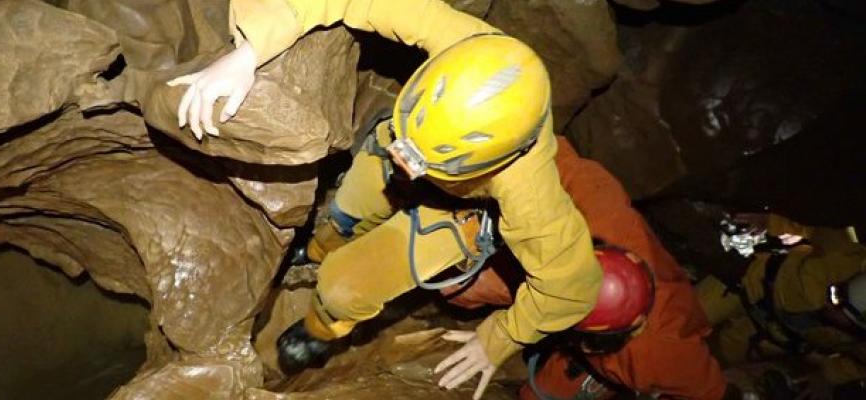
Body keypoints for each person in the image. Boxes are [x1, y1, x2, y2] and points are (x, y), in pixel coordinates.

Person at [169, 1, 602, 397]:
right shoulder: (465, 44)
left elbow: (572, 287)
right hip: (408, 147)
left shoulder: (529, 193)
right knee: (346, 208)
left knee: (343, 289)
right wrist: (249, 52)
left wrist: (500, 338)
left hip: (460, 212)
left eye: (421, 160)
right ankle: (318, 246)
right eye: (409, 148)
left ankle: (320, 329)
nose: (406, 163)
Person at [442, 138, 731, 399]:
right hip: (550, 270)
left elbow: (711, 394)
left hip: (611, 360)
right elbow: (538, 151)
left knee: (542, 394)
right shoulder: (596, 211)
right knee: (459, 284)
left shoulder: (662, 355)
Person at [695, 214, 866, 398]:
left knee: (705, 363)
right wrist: (768, 222)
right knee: (683, 317)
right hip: (749, 283)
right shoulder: (849, 257)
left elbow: (848, 369)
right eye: (837, 292)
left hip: (769, 335)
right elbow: (817, 223)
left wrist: (825, 375)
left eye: (841, 308)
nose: (830, 303)